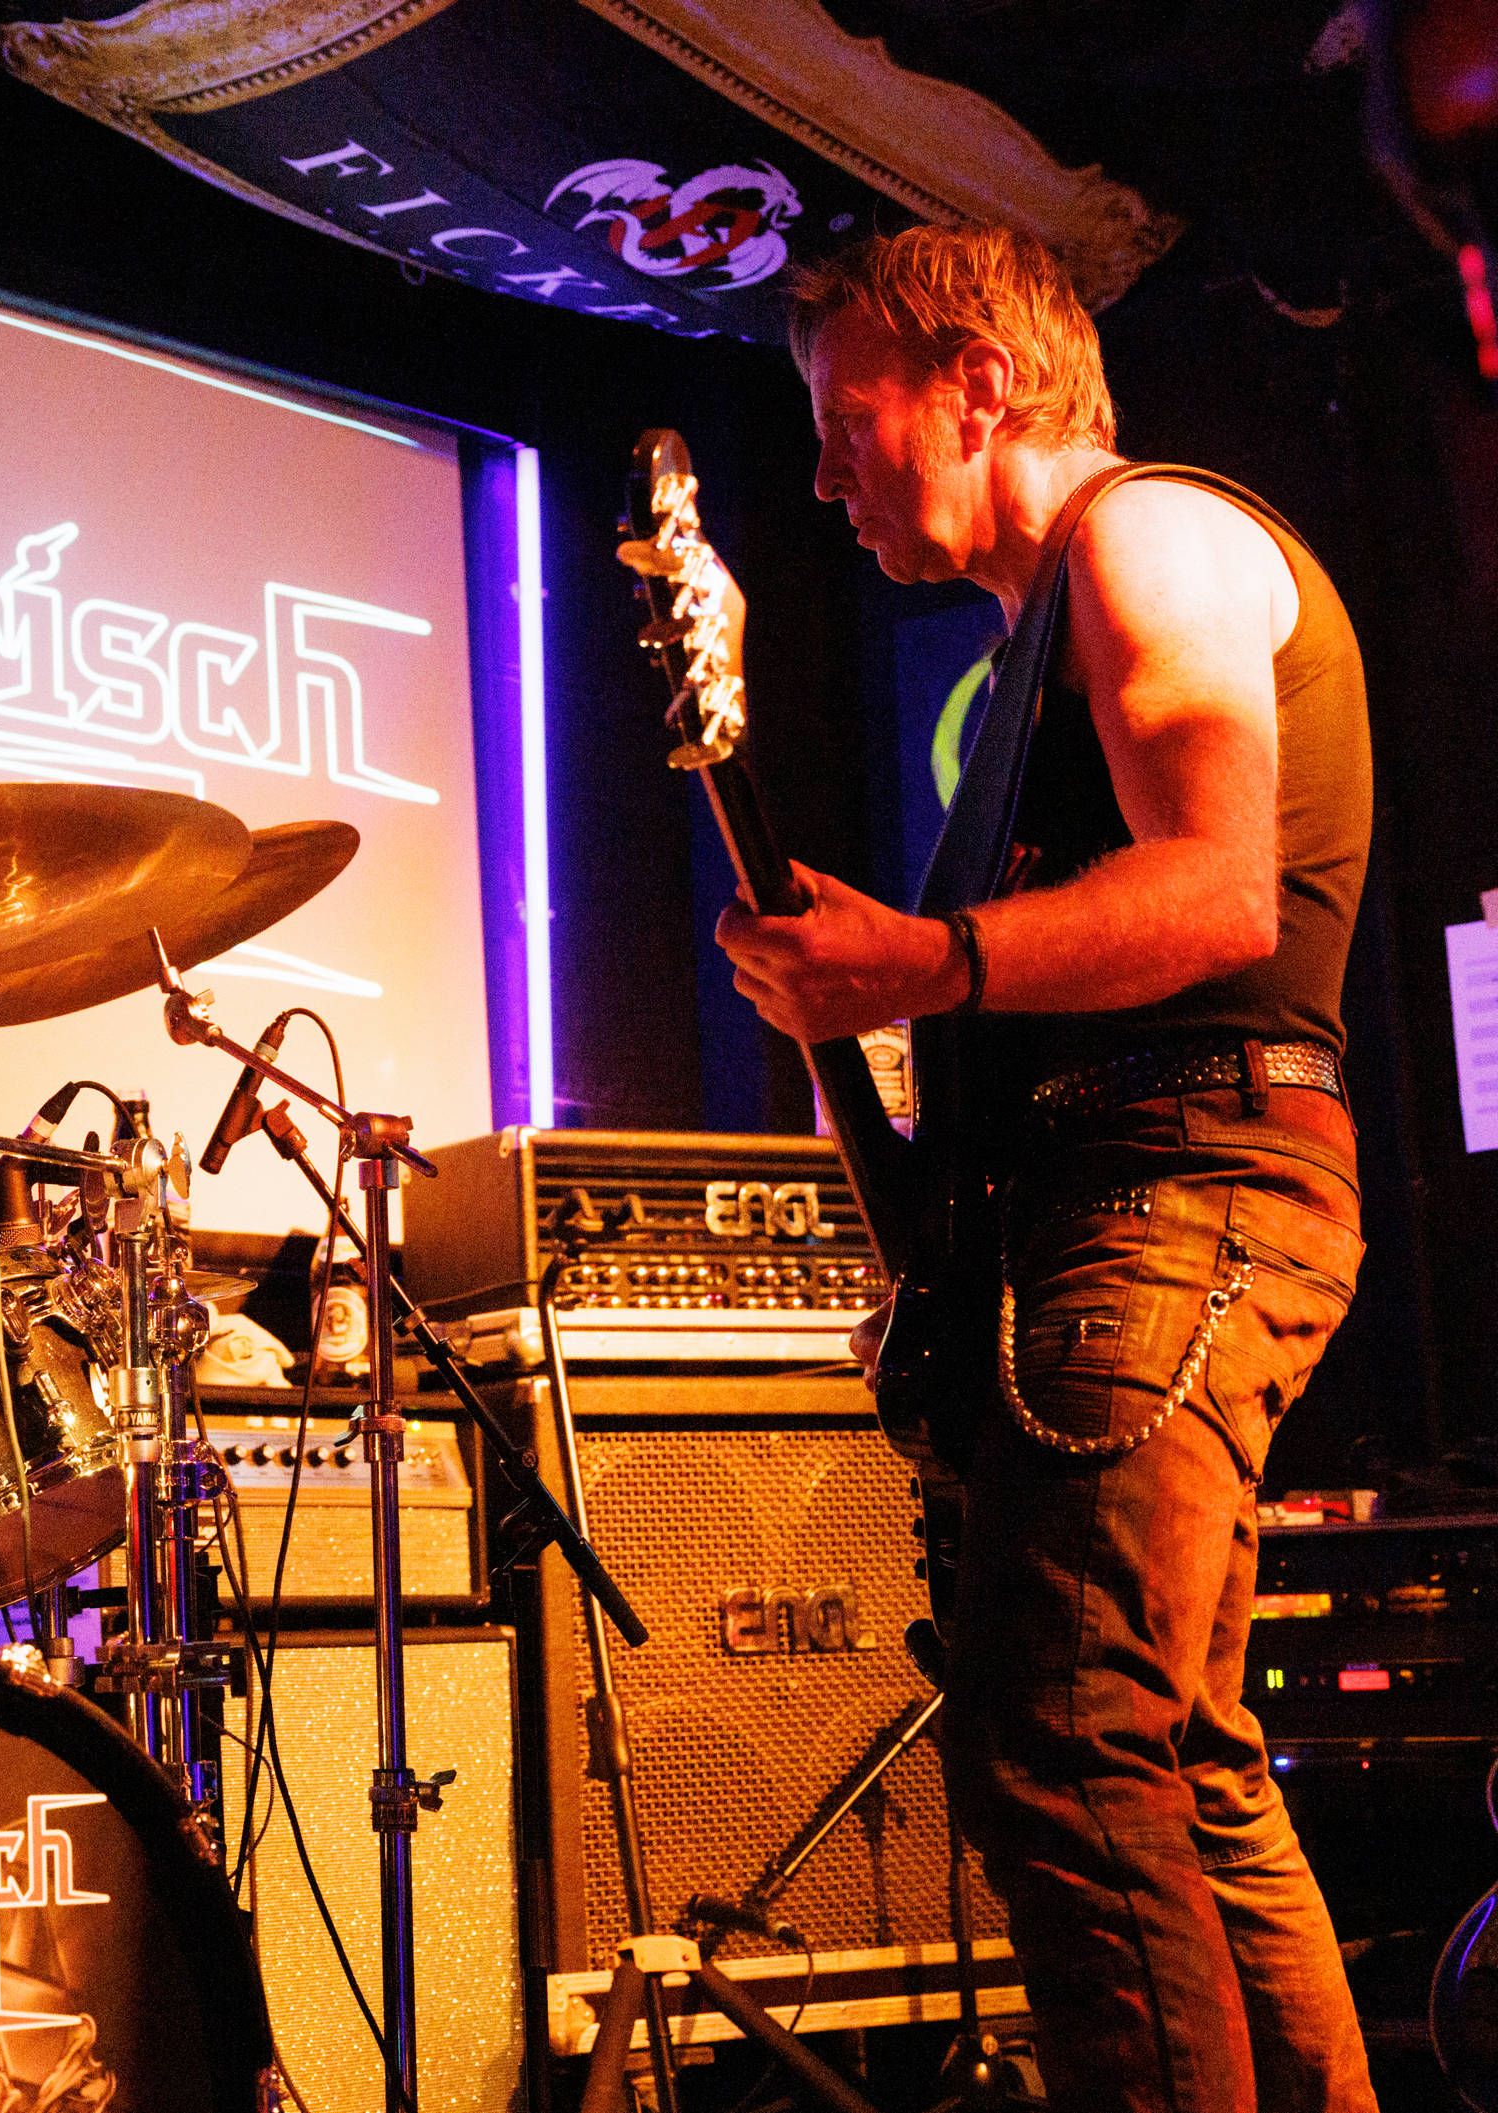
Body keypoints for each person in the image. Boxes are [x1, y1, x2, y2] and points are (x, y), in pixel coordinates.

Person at [713, 226, 1375, 2112]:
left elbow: (1218, 890)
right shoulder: (1031, 652)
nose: (824, 475)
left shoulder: (1143, 534)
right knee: (1179, 1760)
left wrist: (928, 961)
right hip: (1131, 1196)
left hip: (1183, 1187)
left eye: (848, 418)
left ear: (980, 387)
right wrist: (877, 1028)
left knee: (1069, 1746)